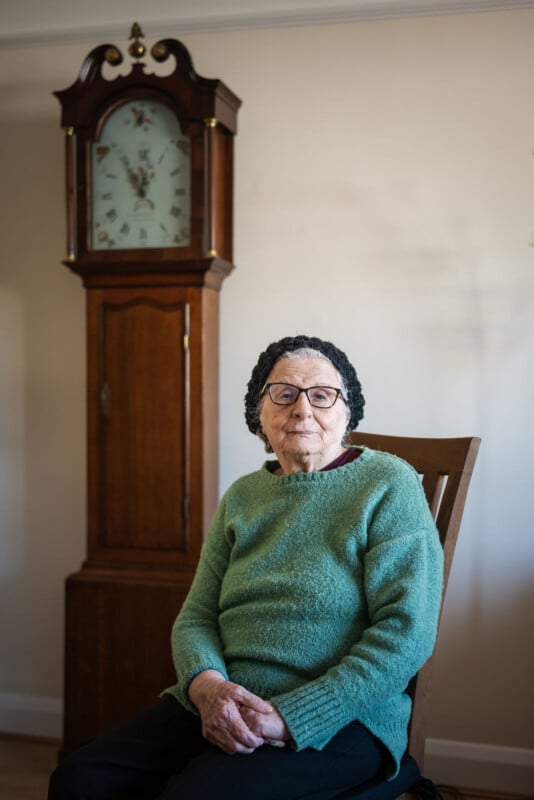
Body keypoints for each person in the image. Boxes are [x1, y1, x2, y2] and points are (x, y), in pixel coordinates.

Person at [48, 334, 443, 800]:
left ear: (348, 412)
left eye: (321, 395)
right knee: (80, 778)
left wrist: (291, 716)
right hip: (222, 704)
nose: (302, 409)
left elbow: (407, 631)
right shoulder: (242, 496)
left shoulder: (387, 483)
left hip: (344, 716)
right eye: (284, 393)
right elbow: (196, 616)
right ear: (260, 414)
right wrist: (206, 687)